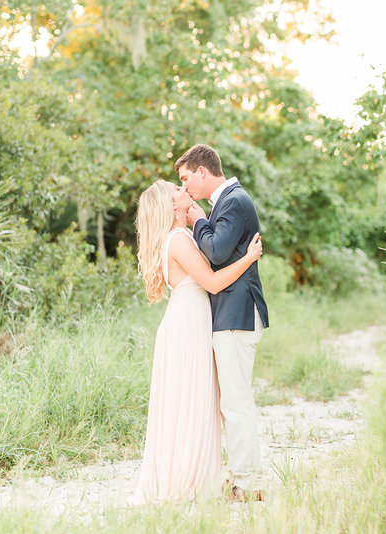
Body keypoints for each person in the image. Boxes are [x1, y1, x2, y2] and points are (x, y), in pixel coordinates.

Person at [131, 179, 262, 504]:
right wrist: (249, 257)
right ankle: (186, 482)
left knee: (191, 402)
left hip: (189, 321)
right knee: (190, 401)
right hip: (188, 326)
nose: (182, 189)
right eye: (175, 188)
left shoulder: (179, 237)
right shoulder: (177, 240)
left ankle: (195, 476)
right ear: (171, 204)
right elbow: (214, 283)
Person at [175, 144, 269, 501]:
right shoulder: (225, 202)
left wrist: (195, 219)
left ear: (202, 171)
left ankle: (249, 481)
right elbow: (219, 251)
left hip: (237, 313)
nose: (184, 188)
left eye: (186, 179)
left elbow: (214, 252)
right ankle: (243, 473)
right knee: (230, 400)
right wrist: (201, 219)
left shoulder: (233, 200)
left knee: (235, 401)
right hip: (230, 313)